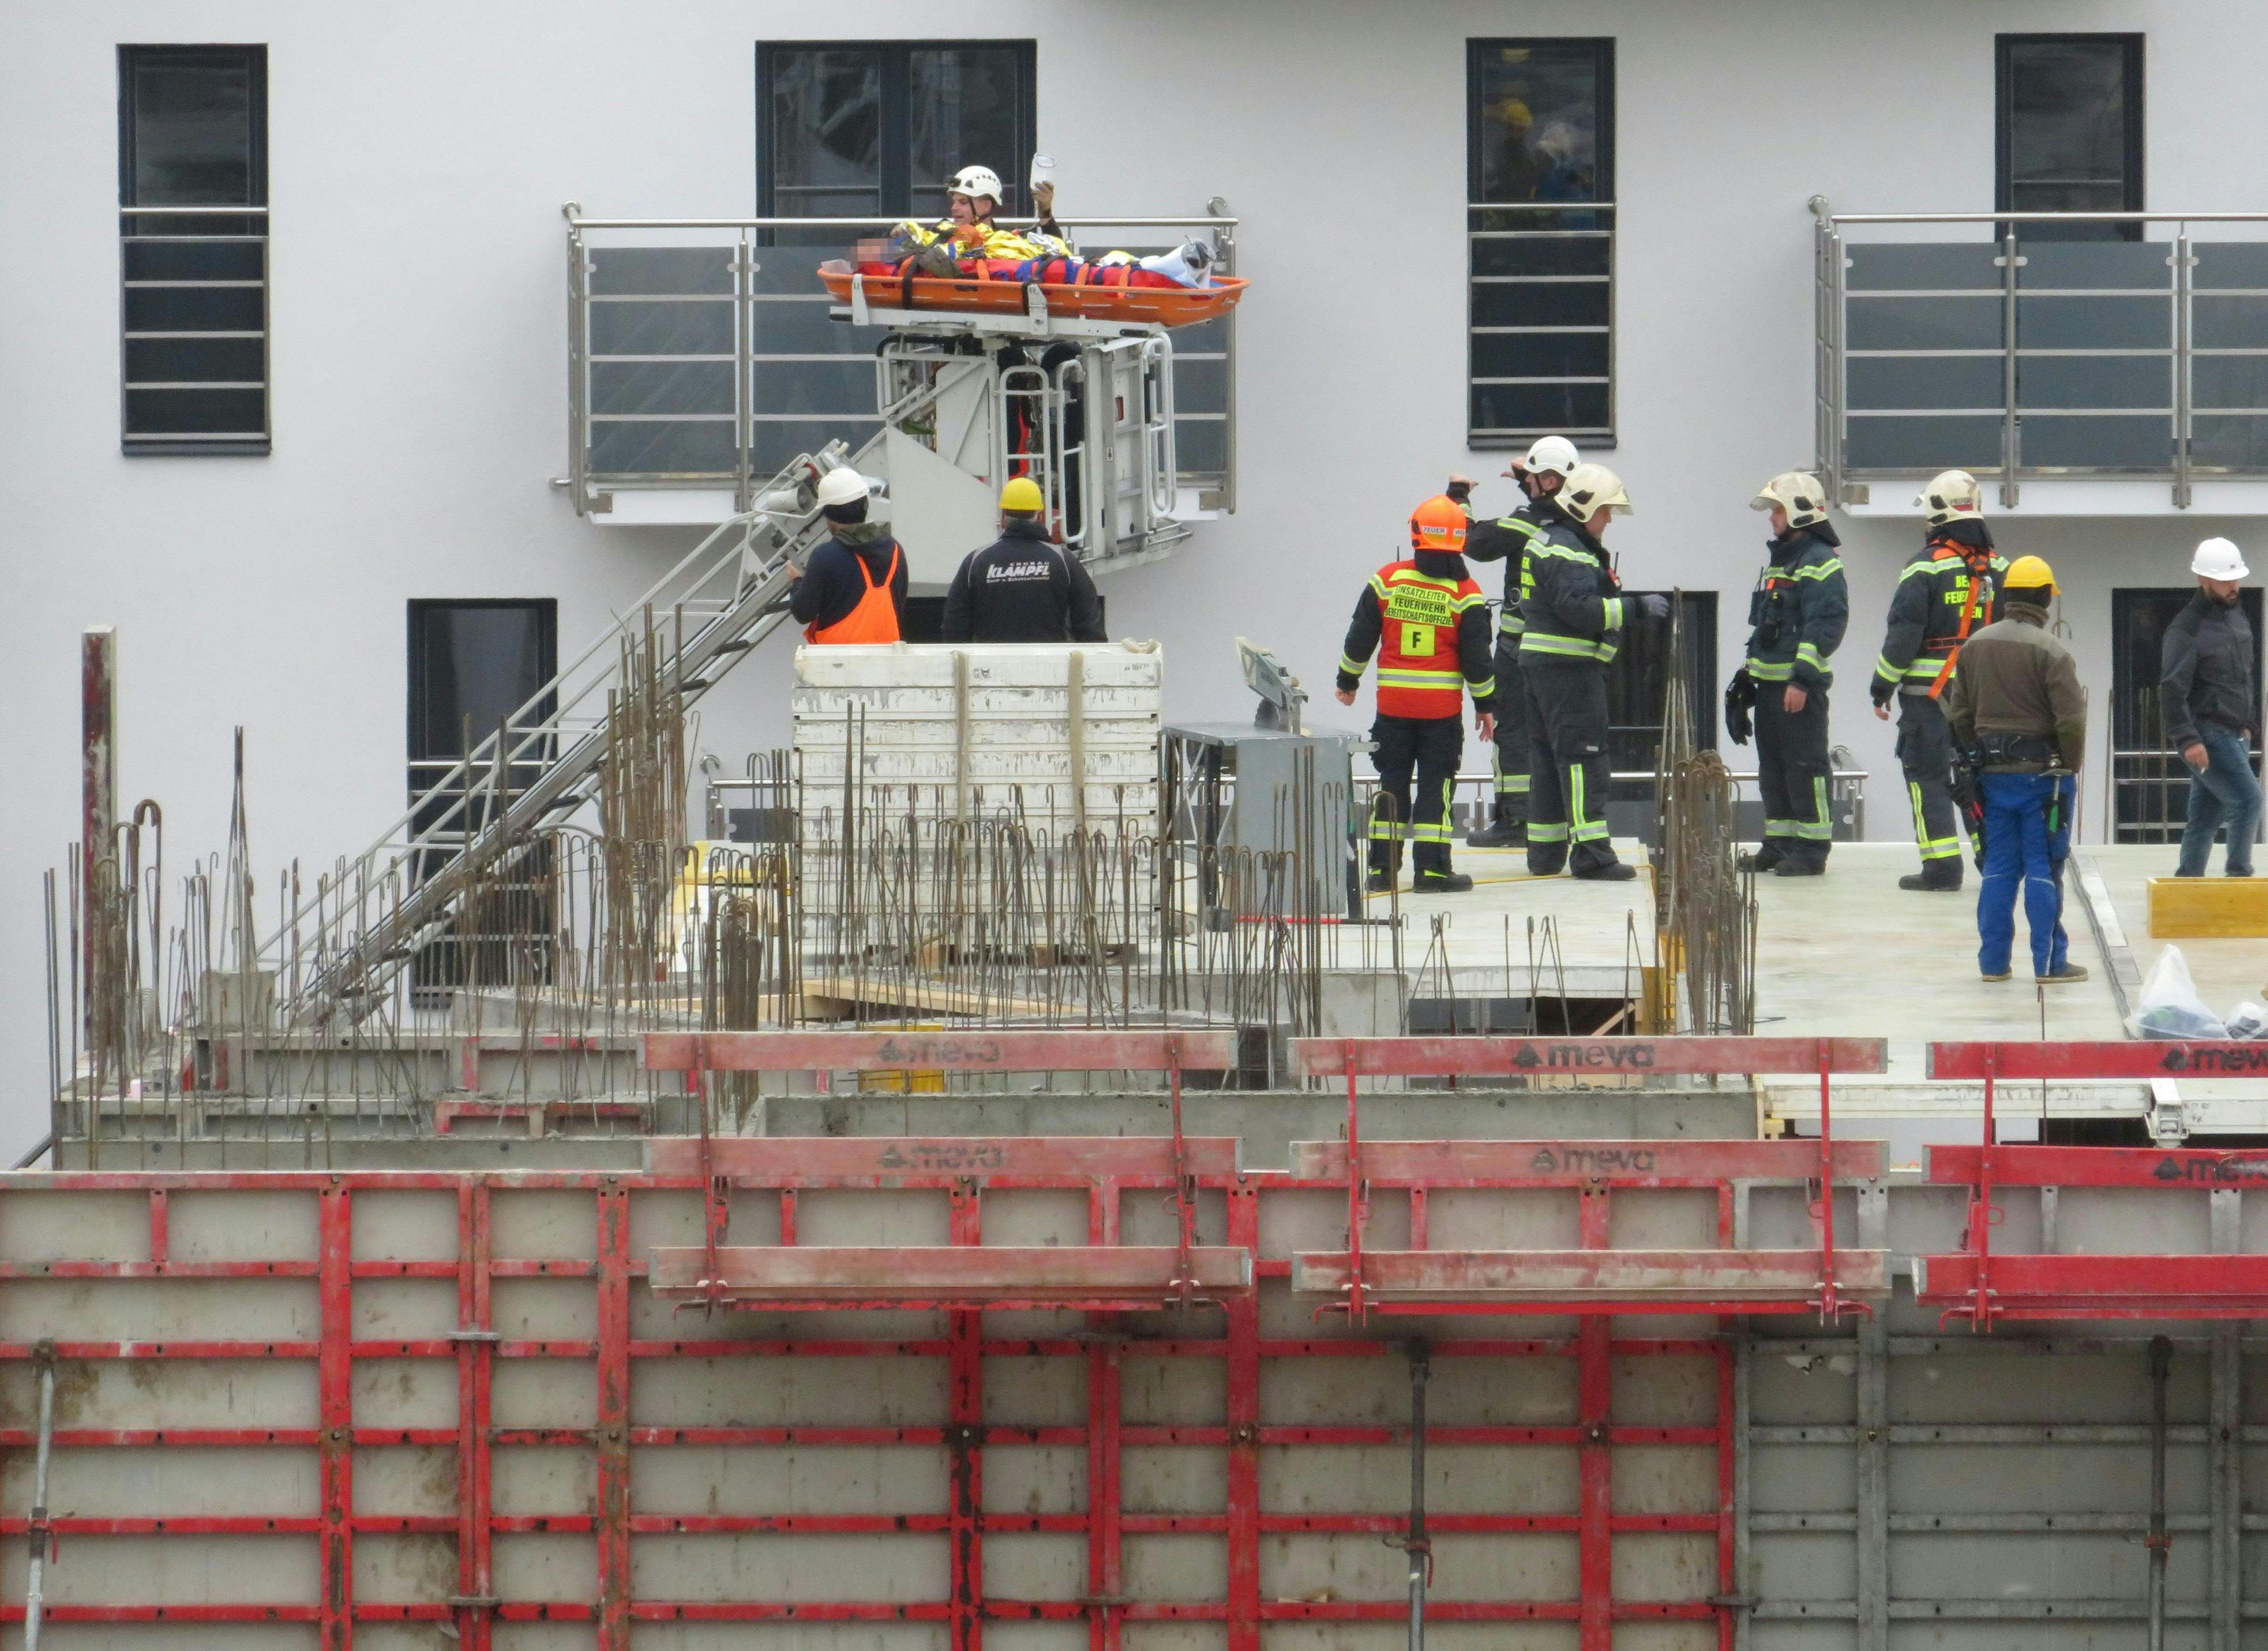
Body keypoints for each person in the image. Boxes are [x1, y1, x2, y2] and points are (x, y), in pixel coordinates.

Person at [1334, 496, 1498, 894]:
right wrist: (1486, 705)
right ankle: (1433, 871)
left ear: (1416, 535)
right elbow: (1477, 659)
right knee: (1436, 787)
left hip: (1393, 708)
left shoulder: (1387, 580)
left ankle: (1380, 871)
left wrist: (1348, 681)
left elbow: (1361, 636)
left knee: (1391, 783)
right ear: (1460, 540)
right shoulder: (1466, 593)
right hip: (1440, 712)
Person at [1942, 556, 2088, 983]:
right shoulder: (2052, 651)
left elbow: (1960, 715)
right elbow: (2071, 720)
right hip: (2044, 781)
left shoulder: (1975, 646)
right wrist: (2070, 764)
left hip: (1992, 777)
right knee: (2044, 867)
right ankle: (2049, 964)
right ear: (2045, 598)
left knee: (1999, 869)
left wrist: (1976, 760)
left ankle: (1993, 965)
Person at [1520, 463, 1668, 881]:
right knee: (1584, 758)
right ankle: (1592, 855)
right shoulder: (1569, 550)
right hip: (1569, 670)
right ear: (1585, 509)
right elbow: (1580, 609)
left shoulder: (1551, 541)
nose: (1608, 521)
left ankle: (1546, 853)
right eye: (1605, 512)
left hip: (1542, 668)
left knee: (1548, 761)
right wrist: (1635, 608)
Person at [1870, 468, 2008, 892]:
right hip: (1985, 699)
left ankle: (1942, 869)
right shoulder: (2002, 568)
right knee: (1978, 776)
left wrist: (1881, 685)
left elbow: (1904, 632)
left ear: (1937, 514)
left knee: (1927, 777)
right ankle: (1995, 861)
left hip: (1927, 698)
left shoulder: (1924, 567)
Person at [1448, 434, 1580, 848]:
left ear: (1548, 481)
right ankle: (1559, 821)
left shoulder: (1528, 520)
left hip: (1520, 648)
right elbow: (1550, 500)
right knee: (1557, 736)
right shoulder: (1578, 518)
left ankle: (1516, 820)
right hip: (1564, 652)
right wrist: (1528, 478)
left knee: (1514, 734)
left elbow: (1475, 542)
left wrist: (1459, 498)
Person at [1726, 472, 1848, 876]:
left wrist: (1801, 681)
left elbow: (1824, 626)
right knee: (1774, 769)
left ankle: (1812, 851)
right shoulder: (1783, 562)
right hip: (1770, 689)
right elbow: (1768, 628)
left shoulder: (1820, 562)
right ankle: (1778, 844)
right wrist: (1748, 679)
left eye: (1777, 510)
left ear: (1797, 513)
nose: (1772, 518)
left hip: (1797, 691)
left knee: (1805, 768)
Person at [2164, 536, 2261, 878]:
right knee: (2248, 802)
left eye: (2236, 578)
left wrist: (2249, 724)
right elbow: (2173, 688)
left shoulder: (2237, 618)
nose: (2233, 586)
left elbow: (2243, 677)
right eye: (2224, 580)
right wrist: (2188, 740)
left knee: (2205, 817)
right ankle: (2239, 876)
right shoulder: (2186, 627)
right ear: (2202, 579)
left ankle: (2187, 882)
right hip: (2209, 732)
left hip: (2236, 732)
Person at [941, 476, 1108, 643]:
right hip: (1051, 666)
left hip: (991, 666)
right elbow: (1090, 626)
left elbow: (954, 628)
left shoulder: (976, 561)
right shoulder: (1063, 561)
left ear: (1003, 516)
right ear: (1041, 515)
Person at [788, 467, 906, 644]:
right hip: (886, 662)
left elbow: (803, 613)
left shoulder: (825, 556)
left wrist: (797, 581)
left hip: (838, 663)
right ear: (865, 505)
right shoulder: (895, 550)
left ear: (827, 514)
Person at [889, 163, 1072, 271]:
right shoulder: (942, 235)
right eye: (954, 201)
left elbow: (1055, 251)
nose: (954, 208)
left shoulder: (1005, 242)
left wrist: (1045, 212)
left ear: (986, 205)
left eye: (963, 202)